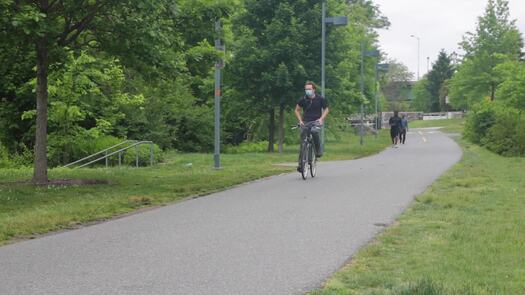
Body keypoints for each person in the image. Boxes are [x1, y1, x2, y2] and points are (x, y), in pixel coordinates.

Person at [295, 81, 329, 172]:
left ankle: (318, 151)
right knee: (303, 143)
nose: (307, 91)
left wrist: (321, 118)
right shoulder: (303, 99)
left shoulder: (320, 99)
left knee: (314, 131)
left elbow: (326, 109)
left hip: (316, 121)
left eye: (309, 89)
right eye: (306, 89)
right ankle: (301, 165)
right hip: (305, 122)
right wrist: (300, 121)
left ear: (314, 89)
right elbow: (297, 110)